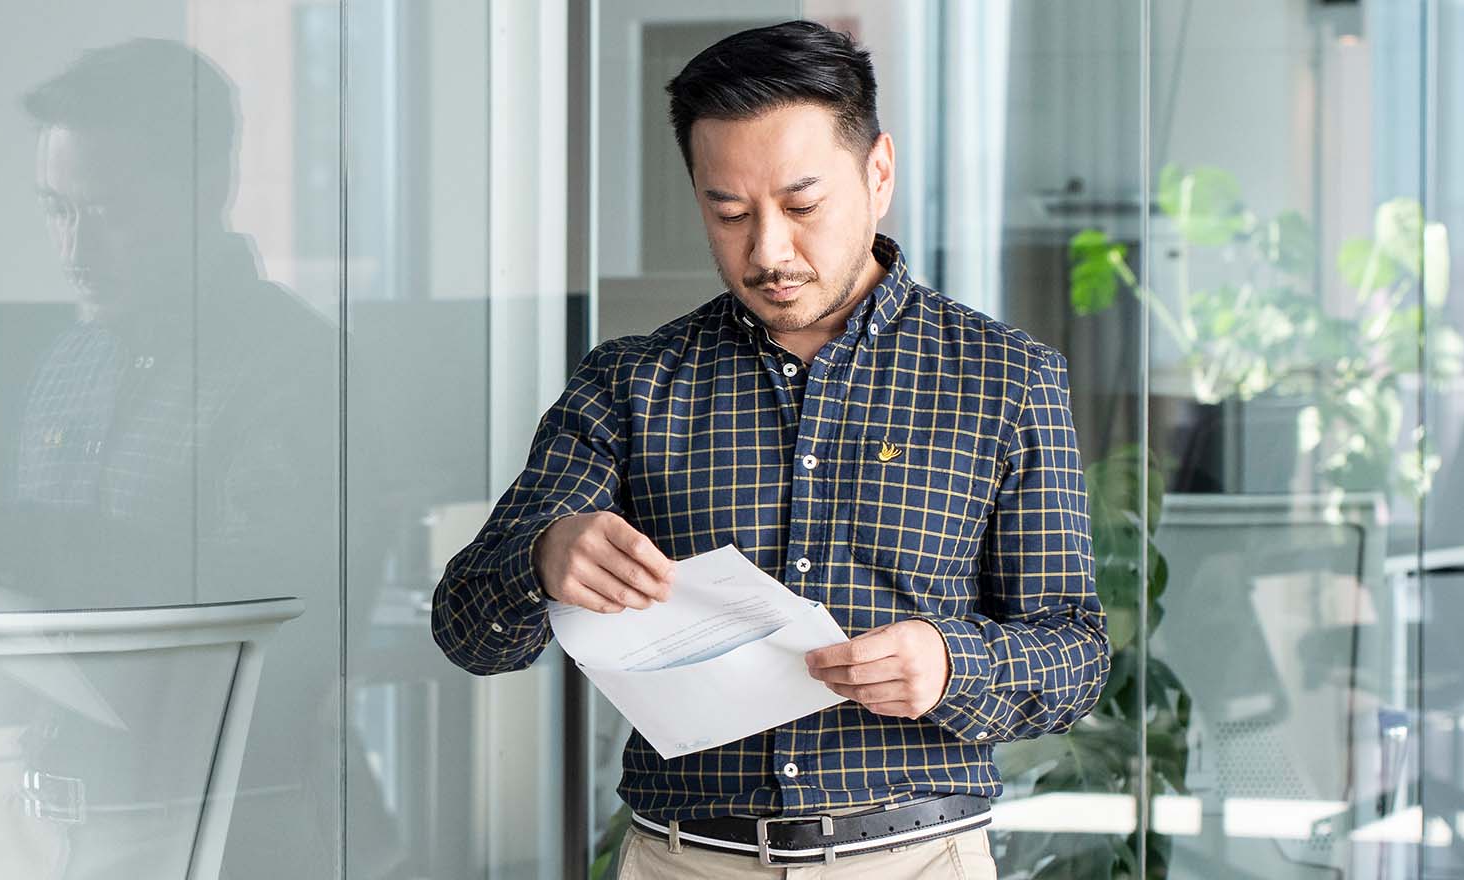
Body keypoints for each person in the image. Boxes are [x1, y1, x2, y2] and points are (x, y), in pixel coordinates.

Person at [429, 20, 1107, 878]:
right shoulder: (631, 384)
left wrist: (948, 664)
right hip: (681, 862)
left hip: (916, 859)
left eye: (802, 205)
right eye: (730, 213)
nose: (768, 251)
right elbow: (467, 631)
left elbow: (1075, 651)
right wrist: (541, 555)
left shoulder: (1006, 378)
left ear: (879, 173)